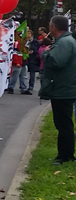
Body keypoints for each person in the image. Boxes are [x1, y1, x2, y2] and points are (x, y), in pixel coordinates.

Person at [40, 15, 76, 165]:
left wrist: (46, 53)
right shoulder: (67, 41)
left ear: (54, 27)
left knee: (64, 124)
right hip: (64, 88)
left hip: (63, 89)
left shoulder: (64, 43)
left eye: (50, 25)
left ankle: (66, 156)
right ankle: (64, 154)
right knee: (63, 123)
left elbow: (56, 62)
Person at [26, 29, 41, 94]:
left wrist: (34, 52)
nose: (28, 34)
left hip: (33, 59)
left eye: (29, 33)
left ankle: (31, 85)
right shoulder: (25, 41)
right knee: (24, 72)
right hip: (26, 58)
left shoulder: (35, 42)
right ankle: (23, 85)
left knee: (32, 73)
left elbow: (39, 50)